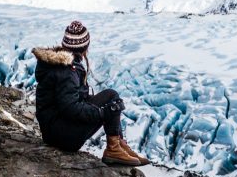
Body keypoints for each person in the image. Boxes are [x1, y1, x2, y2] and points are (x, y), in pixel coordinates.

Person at [32, 20, 149, 166]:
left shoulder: (66, 66)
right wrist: (102, 113)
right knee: (111, 106)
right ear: (84, 47)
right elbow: (70, 108)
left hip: (55, 131)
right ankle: (114, 149)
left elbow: (70, 100)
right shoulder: (67, 71)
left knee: (111, 96)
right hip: (60, 137)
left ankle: (118, 145)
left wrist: (102, 109)